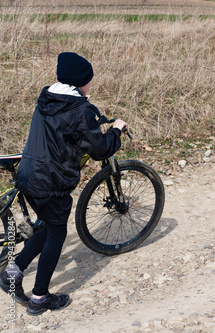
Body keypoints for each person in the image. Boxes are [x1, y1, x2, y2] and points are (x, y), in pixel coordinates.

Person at [0, 52, 127, 315]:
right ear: (81, 81)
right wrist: (115, 130)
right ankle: (39, 298)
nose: (92, 83)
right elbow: (100, 150)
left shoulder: (48, 96)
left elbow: (64, 122)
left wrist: (84, 107)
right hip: (51, 182)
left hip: (29, 174)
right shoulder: (81, 110)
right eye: (89, 79)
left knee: (49, 226)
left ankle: (11, 273)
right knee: (57, 234)